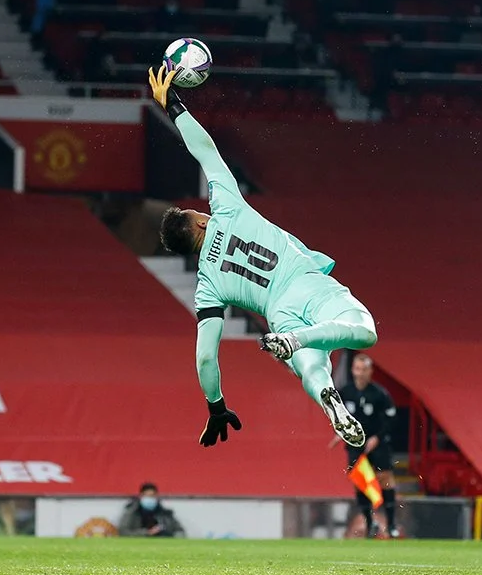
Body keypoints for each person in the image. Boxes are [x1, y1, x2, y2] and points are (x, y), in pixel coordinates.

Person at [146, 66, 377, 449]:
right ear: (200, 222)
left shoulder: (207, 288)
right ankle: (299, 340)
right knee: (364, 330)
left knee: (312, 367)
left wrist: (216, 406)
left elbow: (205, 358)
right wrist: (173, 105)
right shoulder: (227, 208)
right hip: (304, 282)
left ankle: (322, 390)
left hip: (278, 314)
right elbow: (206, 151)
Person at [338, 354, 400, 538]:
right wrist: (339, 432)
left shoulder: (379, 394)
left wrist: (377, 438)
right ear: (353, 370)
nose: (360, 373)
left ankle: (391, 524)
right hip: (355, 444)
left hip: (378, 443)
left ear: (370, 371)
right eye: (357, 369)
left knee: (385, 477)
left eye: (364, 369)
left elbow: (391, 418)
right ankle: (369, 522)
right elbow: (339, 416)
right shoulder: (345, 392)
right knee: (360, 481)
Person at [117, 483, 186, 537]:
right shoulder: (132, 513)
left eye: (152, 496)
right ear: (141, 496)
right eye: (147, 496)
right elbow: (122, 532)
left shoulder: (165, 513)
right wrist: (147, 533)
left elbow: (180, 531)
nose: (150, 498)